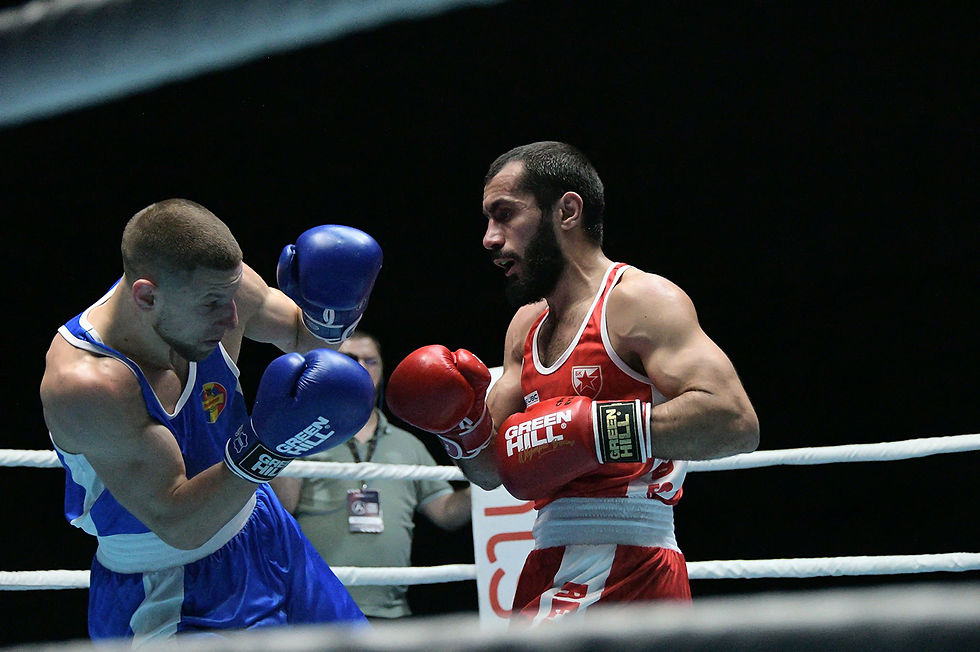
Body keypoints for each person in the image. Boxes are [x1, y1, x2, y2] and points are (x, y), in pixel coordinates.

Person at [386, 141, 760, 623]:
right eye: (487, 219)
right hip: (546, 559)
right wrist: (458, 425)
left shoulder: (641, 301)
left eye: (504, 215)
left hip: (632, 561)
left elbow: (735, 421)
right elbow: (492, 471)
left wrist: (592, 430)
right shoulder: (526, 325)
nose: (489, 238)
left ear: (567, 210)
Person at [39, 198, 384, 643]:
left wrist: (333, 313)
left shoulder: (221, 288)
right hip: (166, 583)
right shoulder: (87, 383)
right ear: (145, 295)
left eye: (233, 294)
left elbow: (303, 336)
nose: (233, 317)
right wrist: (270, 448)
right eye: (214, 305)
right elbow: (180, 522)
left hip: (265, 527)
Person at [271, 330, 472, 620]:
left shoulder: (408, 444)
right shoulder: (307, 433)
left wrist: (489, 478)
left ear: (383, 371)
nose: (362, 367)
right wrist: (282, 433)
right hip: (319, 608)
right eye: (350, 359)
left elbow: (446, 513)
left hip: (392, 612)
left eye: (371, 361)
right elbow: (284, 506)